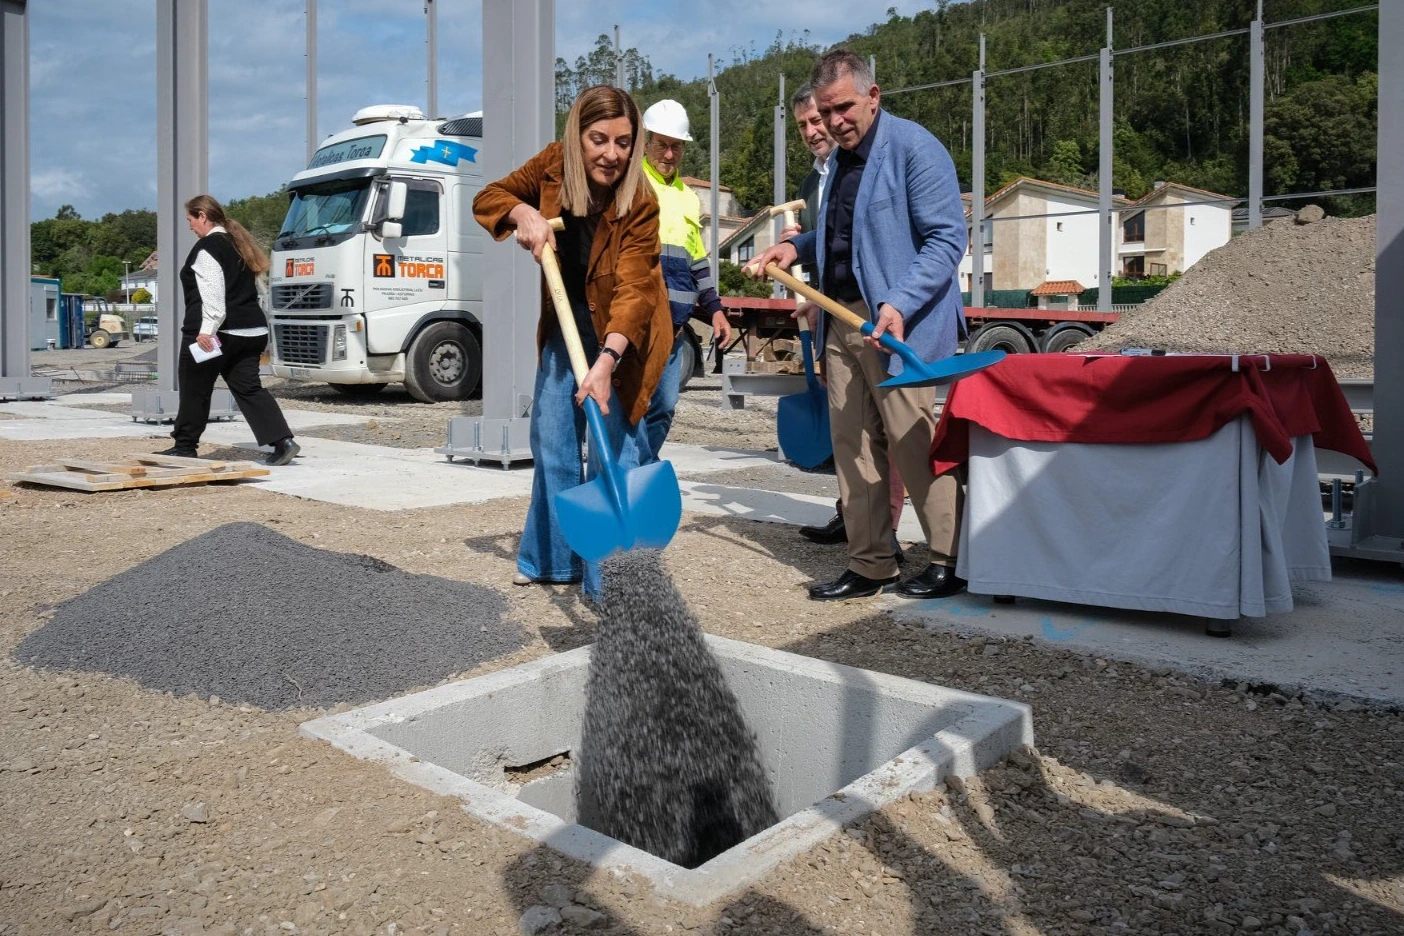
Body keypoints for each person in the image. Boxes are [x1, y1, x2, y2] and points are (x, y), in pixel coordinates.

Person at [749, 50, 968, 601]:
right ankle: (871, 563)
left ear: (873, 96)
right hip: (841, 319)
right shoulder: (839, 164)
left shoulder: (914, 148)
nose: (834, 121)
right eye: (825, 111)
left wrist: (900, 302)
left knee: (911, 441)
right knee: (853, 447)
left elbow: (946, 239)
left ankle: (951, 557)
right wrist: (795, 247)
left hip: (899, 324)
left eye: (843, 107)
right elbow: (839, 235)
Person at [473, 85, 672, 604]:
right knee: (554, 444)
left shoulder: (641, 201)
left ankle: (612, 581)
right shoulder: (552, 165)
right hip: (566, 325)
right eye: (598, 139)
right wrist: (522, 213)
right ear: (577, 136)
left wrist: (607, 361)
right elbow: (488, 198)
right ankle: (553, 560)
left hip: (625, 337)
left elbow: (635, 291)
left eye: (624, 142)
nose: (611, 154)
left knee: (613, 453)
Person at [785, 83, 906, 558]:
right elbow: (827, 244)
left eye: (818, 119)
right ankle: (853, 519)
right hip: (831, 310)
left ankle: (888, 529)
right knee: (849, 427)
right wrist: (805, 269)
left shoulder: (862, 164)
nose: (814, 131)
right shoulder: (811, 183)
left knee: (887, 426)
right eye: (803, 125)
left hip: (875, 311)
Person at [156, 195, 299, 467]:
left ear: (202, 216)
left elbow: (214, 295)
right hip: (251, 331)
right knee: (249, 389)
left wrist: (206, 331)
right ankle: (283, 442)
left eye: (190, 220)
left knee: (195, 389)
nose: (190, 226)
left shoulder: (207, 247)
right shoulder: (239, 244)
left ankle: (184, 447)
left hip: (217, 333)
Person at [638, 99, 733, 460]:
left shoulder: (688, 200)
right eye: (662, 144)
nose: (669, 154)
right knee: (630, 407)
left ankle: (642, 468)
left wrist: (716, 310)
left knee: (663, 406)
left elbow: (697, 262)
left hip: (675, 327)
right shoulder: (631, 186)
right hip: (637, 325)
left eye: (676, 146)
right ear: (645, 142)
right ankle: (629, 474)